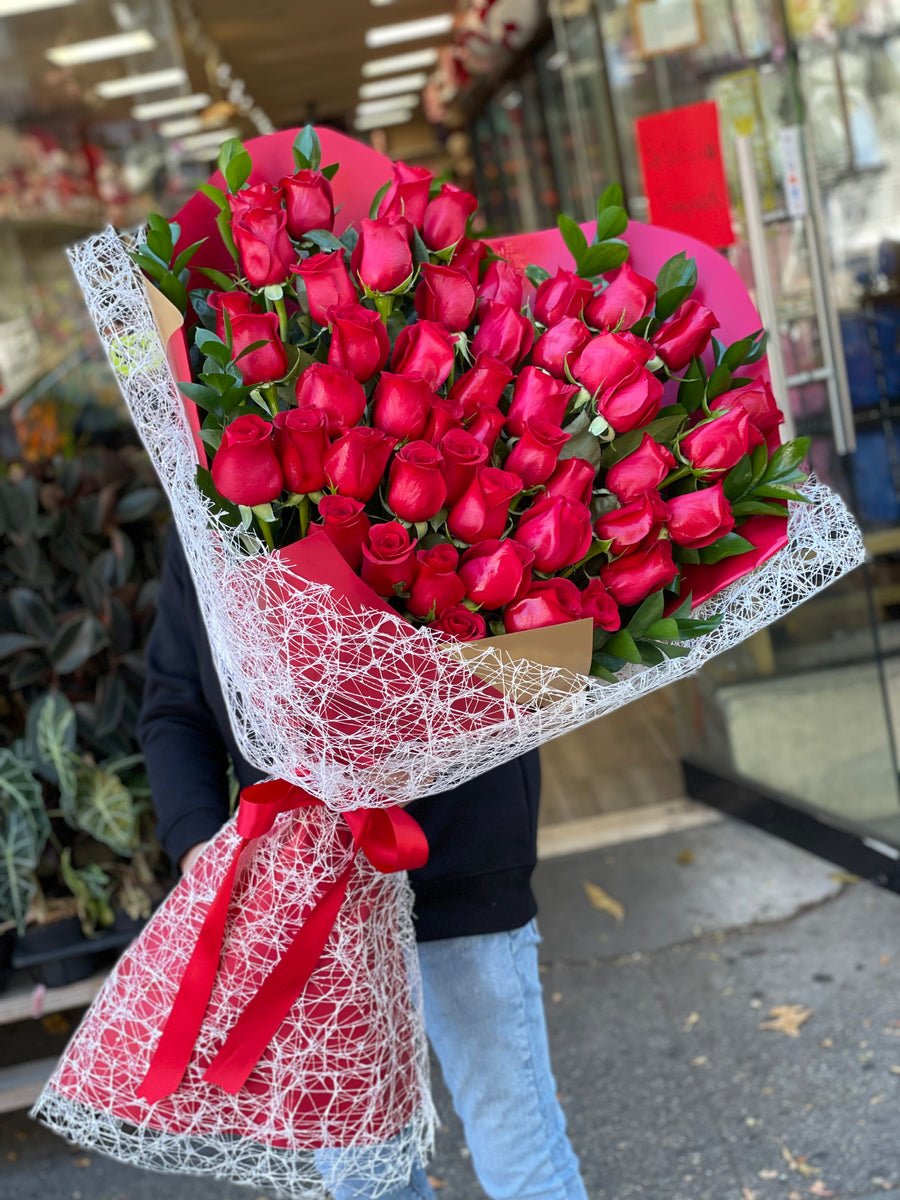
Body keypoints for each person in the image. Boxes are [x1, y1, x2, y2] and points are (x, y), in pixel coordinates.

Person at [138, 527, 589, 1200]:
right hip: (302, 888)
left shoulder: (442, 443)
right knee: (363, 1172)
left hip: (462, 856)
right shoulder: (206, 511)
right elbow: (175, 703)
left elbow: (522, 653)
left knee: (515, 1134)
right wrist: (200, 841)